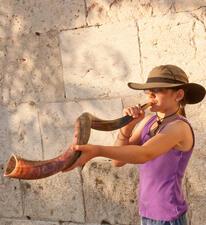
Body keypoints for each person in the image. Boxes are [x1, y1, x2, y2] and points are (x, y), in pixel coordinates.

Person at [63, 65, 206, 225]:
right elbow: (118, 162)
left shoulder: (179, 127)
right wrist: (127, 126)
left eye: (157, 90)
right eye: (147, 90)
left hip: (169, 216)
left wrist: (97, 150)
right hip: (147, 213)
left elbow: (143, 154)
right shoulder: (148, 121)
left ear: (179, 95)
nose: (149, 94)